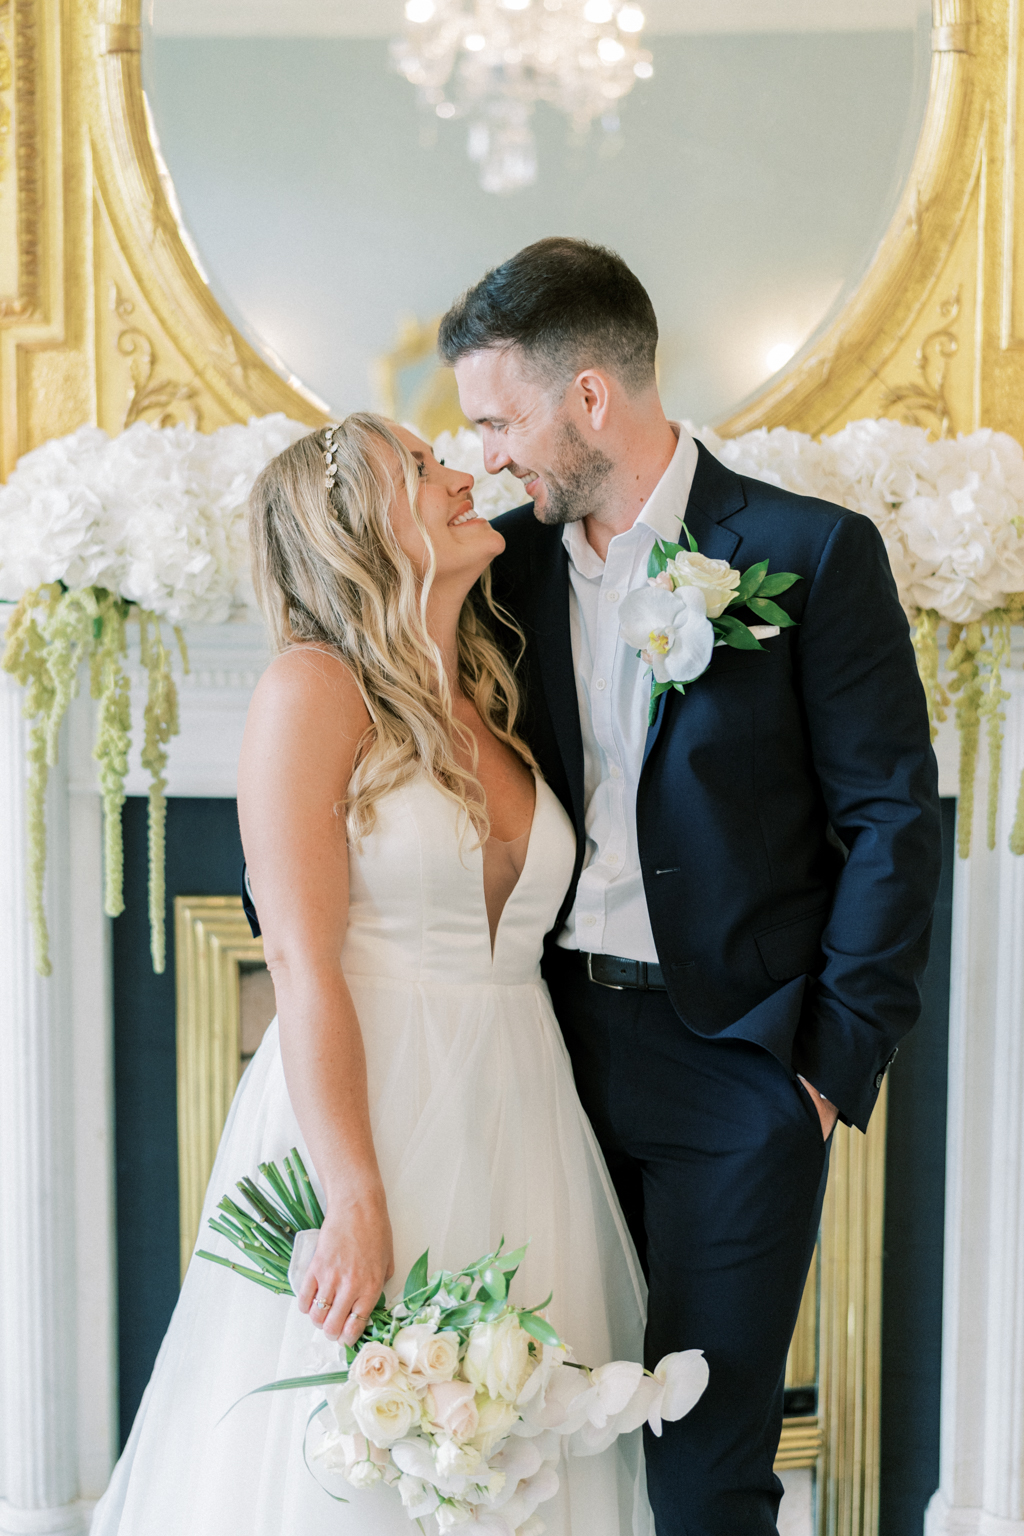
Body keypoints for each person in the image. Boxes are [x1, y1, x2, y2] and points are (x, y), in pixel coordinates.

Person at [438, 237, 943, 1536]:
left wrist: (830, 1066)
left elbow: (893, 819)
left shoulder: (811, 554)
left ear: (590, 396)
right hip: (536, 1051)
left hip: (740, 1067)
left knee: (708, 1465)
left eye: (499, 416)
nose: (488, 450)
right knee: (531, 1433)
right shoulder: (495, 569)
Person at [90, 413, 654, 1535]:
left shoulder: (490, 704)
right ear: (356, 529)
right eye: (422, 469)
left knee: (517, 1456)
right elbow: (298, 959)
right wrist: (352, 1199)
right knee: (354, 1467)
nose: (464, 474)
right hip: (371, 1115)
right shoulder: (311, 690)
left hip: (520, 1113)